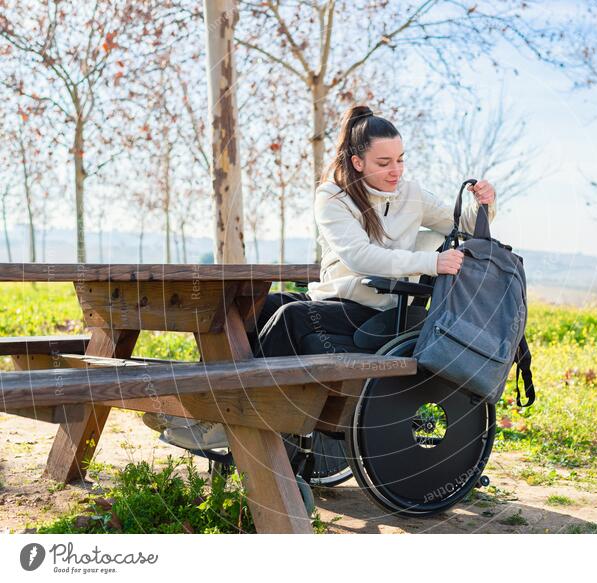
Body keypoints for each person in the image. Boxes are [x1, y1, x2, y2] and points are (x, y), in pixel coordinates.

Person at [153, 104, 498, 450]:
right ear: (357, 162)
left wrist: (484, 204)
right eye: (384, 163)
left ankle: (230, 419)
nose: (396, 171)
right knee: (250, 307)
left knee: (290, 318)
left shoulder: (412, 194)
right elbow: (358, 255)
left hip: (377, 308)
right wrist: (429, 261)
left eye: (400, 159)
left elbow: (465, 225)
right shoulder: (332, 196)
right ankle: (197, 406)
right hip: (335, 299)